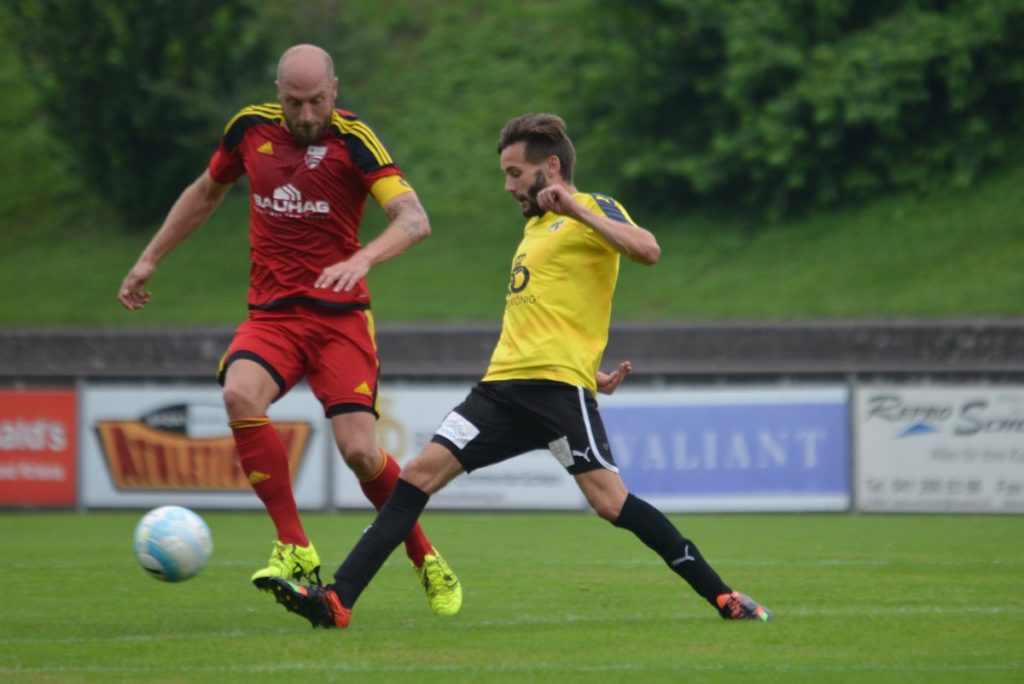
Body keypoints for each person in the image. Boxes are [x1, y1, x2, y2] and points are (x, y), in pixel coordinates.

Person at [264, 112, 772, 629]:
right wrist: (590, 367)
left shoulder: (592, 208)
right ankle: (337, 601)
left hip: (554, 392)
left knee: (610, 503)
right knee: (416, 476)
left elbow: (648, 249)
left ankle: (725, 597)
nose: (508, 185)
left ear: (550, 166)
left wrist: (574, 208)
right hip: (499, 390)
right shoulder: (533, 230)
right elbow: (555, 309)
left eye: (514, 172)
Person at [117, 44, 461, 617]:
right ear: (278, 93)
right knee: (238, 392)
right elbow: (207, 192)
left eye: (317, 102)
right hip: (274, 317)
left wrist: (364, 259)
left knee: (359, 452)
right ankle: (295, 546)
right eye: (295, 102)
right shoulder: (248, 131)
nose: (306, 115)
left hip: (341, 321)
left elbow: (414, 218)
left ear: (335, 90)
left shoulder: (356, 140)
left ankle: (425, 557)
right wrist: (150, 258)